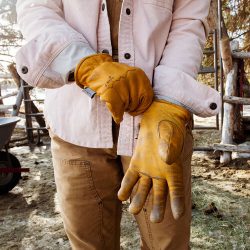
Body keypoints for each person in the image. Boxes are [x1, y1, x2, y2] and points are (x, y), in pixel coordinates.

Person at [15, 0, 221, 249]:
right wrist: (82, 62)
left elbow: (188, 23)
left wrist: (169, 103)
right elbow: (37, 7)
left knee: (168, 244)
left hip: (157, 125)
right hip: (75, 123)